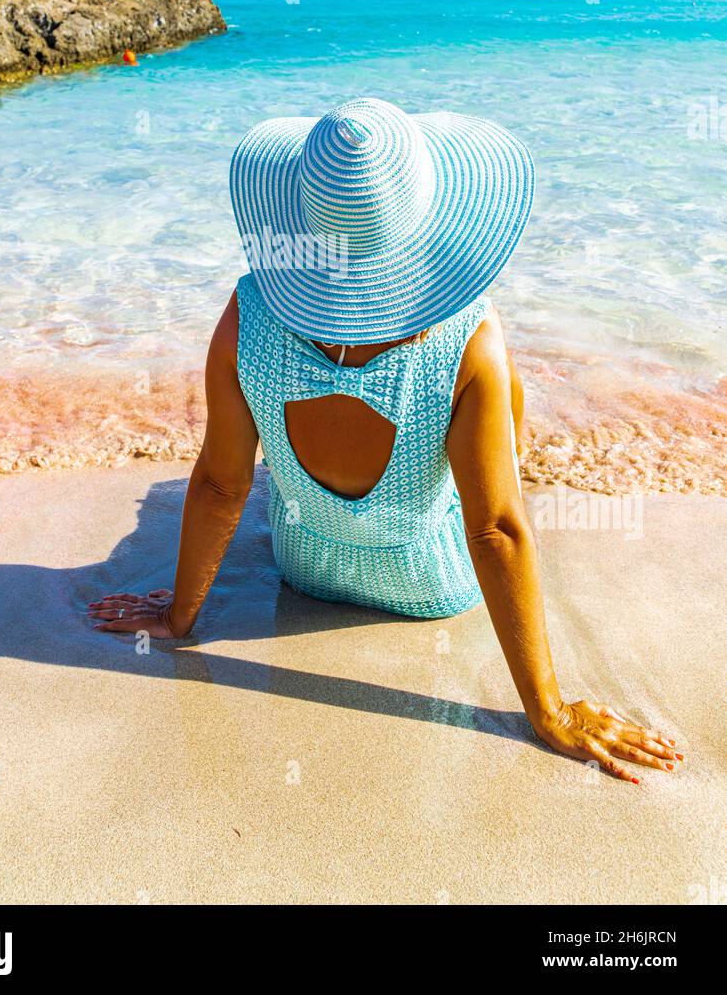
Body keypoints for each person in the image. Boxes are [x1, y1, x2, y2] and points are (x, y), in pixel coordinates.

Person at [90, 98, 682, 784]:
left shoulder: (248, 312)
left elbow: (223, 485)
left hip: (304, 562)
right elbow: (494, 531)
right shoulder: (469, 338)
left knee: (234, 475)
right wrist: (546, 709)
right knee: (500, 411)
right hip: (430, 584)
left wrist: (179, 616)